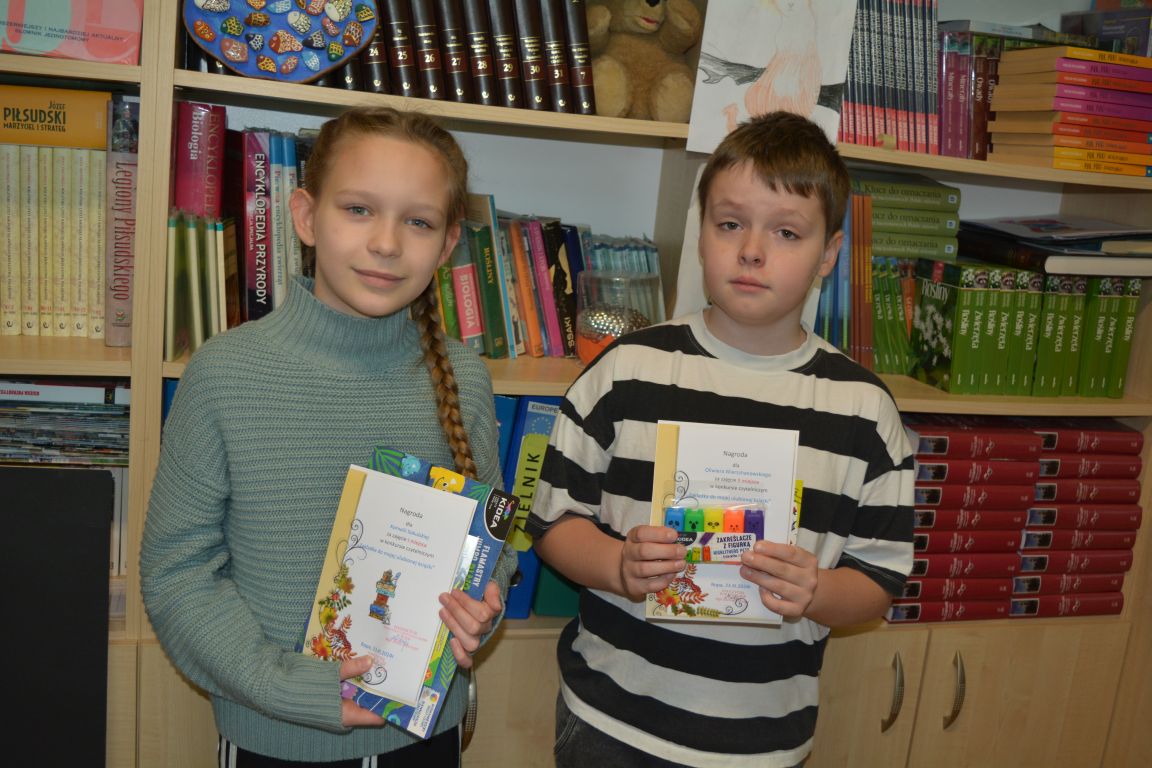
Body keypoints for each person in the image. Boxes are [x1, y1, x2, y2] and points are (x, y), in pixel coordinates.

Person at [528, 110, 915, 768]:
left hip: (760, 742)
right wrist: (619, 566)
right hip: (610, 722)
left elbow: (879, 577)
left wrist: (817, 592)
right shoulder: (627, 371)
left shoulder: (864, 411)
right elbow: (553, 521)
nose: (752, 251)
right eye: (730, 224)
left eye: (786, 232)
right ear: (700, 231)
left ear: (828, 254)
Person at [140, 106, 517, 767]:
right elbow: (178, 574)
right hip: (275, 738)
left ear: (449, 242)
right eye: (359, 210)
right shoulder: (226, 374)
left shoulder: (464, 377)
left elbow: (493, 544)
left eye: (419, 221)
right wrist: (288, 686)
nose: (387, 243)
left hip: (424, 737)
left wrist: (481, 608)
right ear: (306, 217)